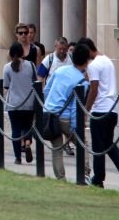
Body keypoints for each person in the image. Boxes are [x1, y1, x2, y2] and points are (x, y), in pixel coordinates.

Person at [79, 37, 119, 190]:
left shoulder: (94, 65)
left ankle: (100, 178)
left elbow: (94, 88)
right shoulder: (107, 61)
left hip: (100, 110)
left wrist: (86, 109)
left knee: (99, 147)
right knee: (107, 145)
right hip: (111, 109)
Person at [43, 44, 91, 180]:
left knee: (57, 148)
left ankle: (60, 178)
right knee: (82, 144)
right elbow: (76, 107)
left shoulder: (60, 70)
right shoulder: (82, 82)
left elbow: (47, 90)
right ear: (86, 61)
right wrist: (77, 127)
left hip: (50, 113)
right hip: (65, 117)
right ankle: (85, 173)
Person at [2, 41, 37, 164]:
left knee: (15, 130)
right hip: (29, 102)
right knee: (27, 127)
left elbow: (6, 86)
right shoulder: (31, 65)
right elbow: (35, 82)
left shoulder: (7, 67)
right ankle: (27, 143)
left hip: (14, 103)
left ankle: (18, 157)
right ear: (23, 53)